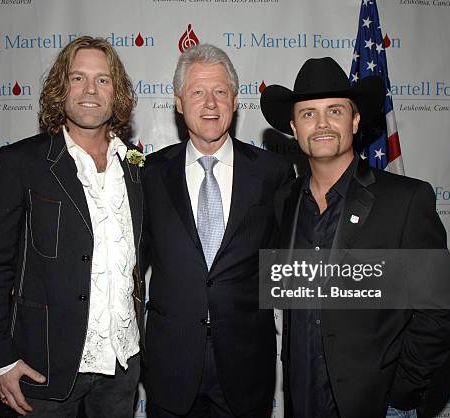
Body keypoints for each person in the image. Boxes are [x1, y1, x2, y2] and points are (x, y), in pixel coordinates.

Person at [260, 57, 450, 418]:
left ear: (354, 121)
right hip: (301, 400)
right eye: (308, 114)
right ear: (293, 127)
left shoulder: (406, 200)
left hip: (377, 405)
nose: (321, 124)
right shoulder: (285, 201)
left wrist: (400, 395)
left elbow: (439, 311)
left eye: (334, 111)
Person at [0, 36, 145, 417]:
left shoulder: (135, 168)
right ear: (60, 88)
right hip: (43, 370)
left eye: (103, 79)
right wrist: (0, 358)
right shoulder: (22, 162)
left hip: (122, 366)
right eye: (78, 78)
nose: (90, 90)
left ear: (116, 91)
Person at [142, 44, 295, 418]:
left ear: (235, 101)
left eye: (220, 92)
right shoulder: (148, 174)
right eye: (197, 92)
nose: (210, 103)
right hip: (170, 365)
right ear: (179, 103)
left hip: (246, 365)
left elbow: (286, 264)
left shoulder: (273, 172)